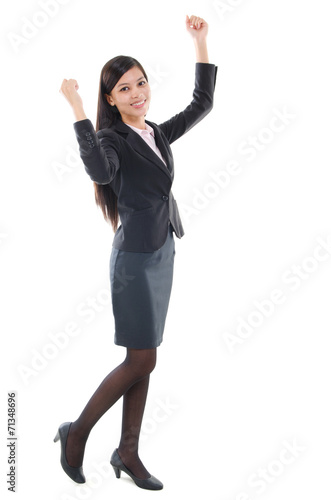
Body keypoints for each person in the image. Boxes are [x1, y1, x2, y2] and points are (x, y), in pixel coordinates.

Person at [54, 14, 217, 491]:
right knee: (140, 360)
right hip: (133, 263)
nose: (136, 93)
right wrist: (79, 110)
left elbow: (203, 102)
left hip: (162, 251)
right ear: (111, 99)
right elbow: (101, 175)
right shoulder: (111, 138)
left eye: (141, 83)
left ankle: (128, 452)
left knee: (145, 355)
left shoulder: (156, 133)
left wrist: (201, 41)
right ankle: (76, 434)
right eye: (124, 89)